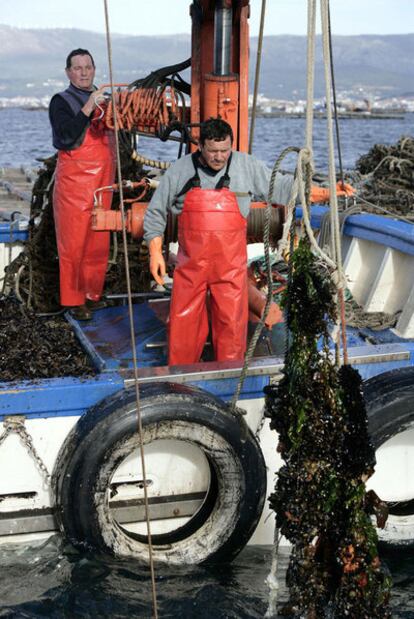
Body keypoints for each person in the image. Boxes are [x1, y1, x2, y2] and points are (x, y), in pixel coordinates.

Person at [144, 117, 353, 365]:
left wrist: (329, 191)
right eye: (212, 151)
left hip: (230, 267)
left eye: (224, 150)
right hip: (191, 267)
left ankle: (230, 376)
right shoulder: (180, 170)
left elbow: (285, 188)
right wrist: (155, 252)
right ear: (200, 147)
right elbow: (155, 212)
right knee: (183, 322)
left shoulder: (247, 166)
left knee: (232, 323)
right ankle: (180, 374)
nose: (219, 157)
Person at [49, 48, 115, 320]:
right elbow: (65, 136)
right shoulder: (60, 101)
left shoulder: (106, 99)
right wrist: (89, 107)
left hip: (104, 180)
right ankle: (73, 301)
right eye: (78, 68)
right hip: (75, 183)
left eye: (88, 67)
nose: (85, 72)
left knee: (99, 239)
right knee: (73, 243)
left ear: (94, 69)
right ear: (68, 72)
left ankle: (92, 295)